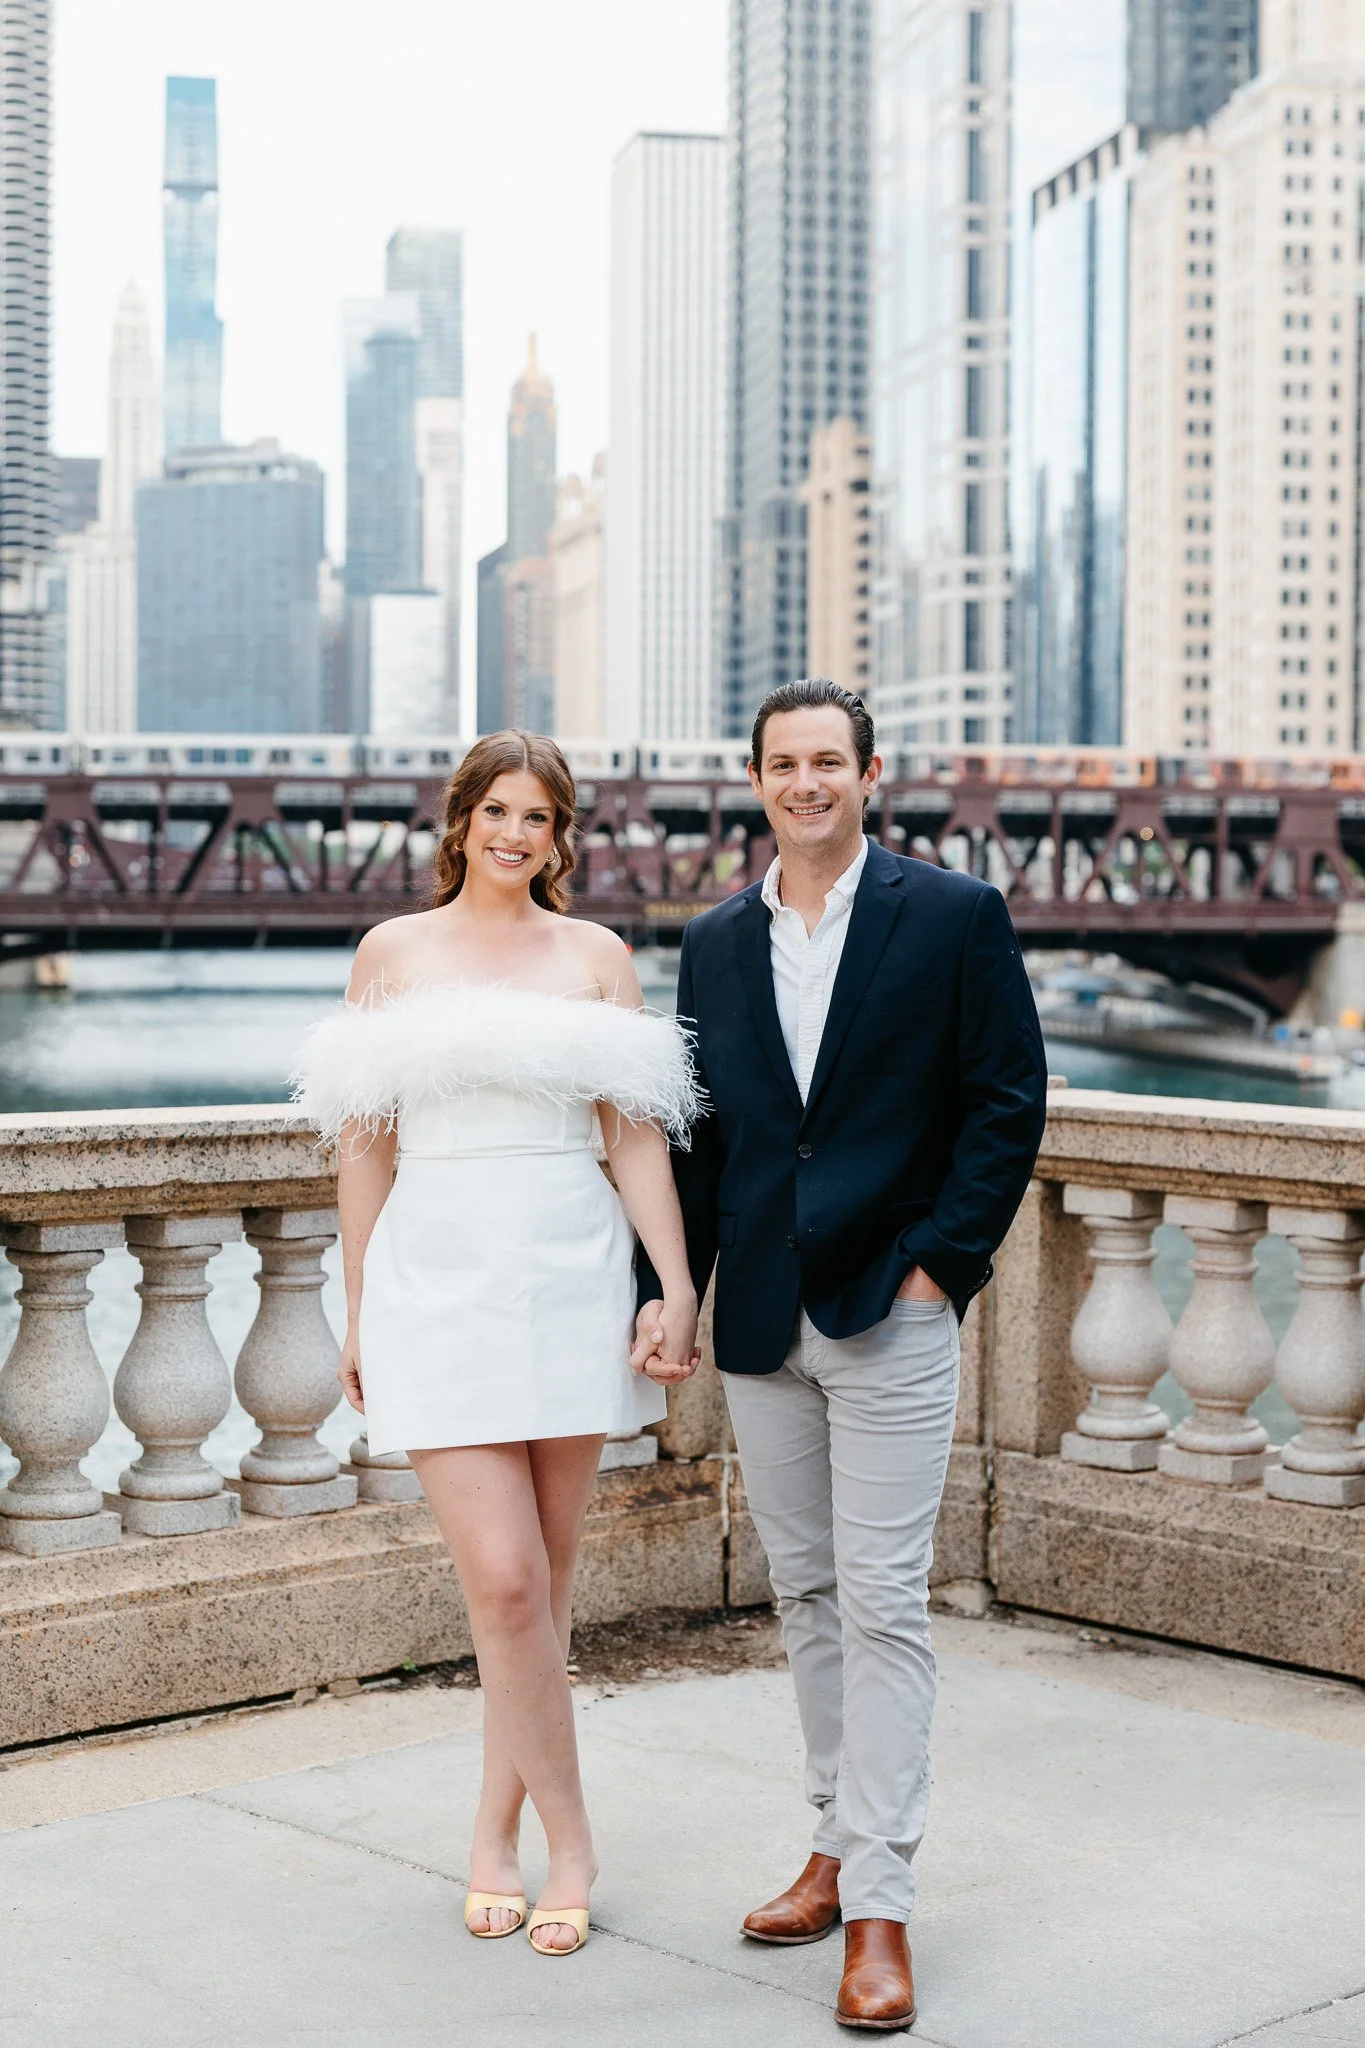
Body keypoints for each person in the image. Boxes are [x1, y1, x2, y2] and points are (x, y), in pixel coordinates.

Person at [634, 680, 1047, 2031]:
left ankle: (880, 1905)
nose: (806, 783)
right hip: (759, 1319)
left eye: (829, 762)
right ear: (753, 780)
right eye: (782, 764)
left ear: (870, 774)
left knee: (882, 1601)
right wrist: (672, 1292)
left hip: (891, 1307)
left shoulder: (953, 917)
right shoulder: (708, 943)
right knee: (805, 1595)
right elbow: (700, 1140)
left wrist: (942, 1265)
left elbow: (1005, 1100)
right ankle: (832, 1838)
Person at [293, 730, 700, 1959]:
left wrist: (674, 1285)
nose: (518, 833)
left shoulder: (598, 956)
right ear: (460, 820)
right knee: (508, 1581)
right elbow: (364, 1147)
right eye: (499, 811)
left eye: (541, 816)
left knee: (540, 1590)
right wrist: (361, 1307)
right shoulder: (392, 954)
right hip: (438, 1278)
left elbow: (635, 1138)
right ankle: (571, 1842)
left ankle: (491, 1834)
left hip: (571, 1275)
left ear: (559, 834)